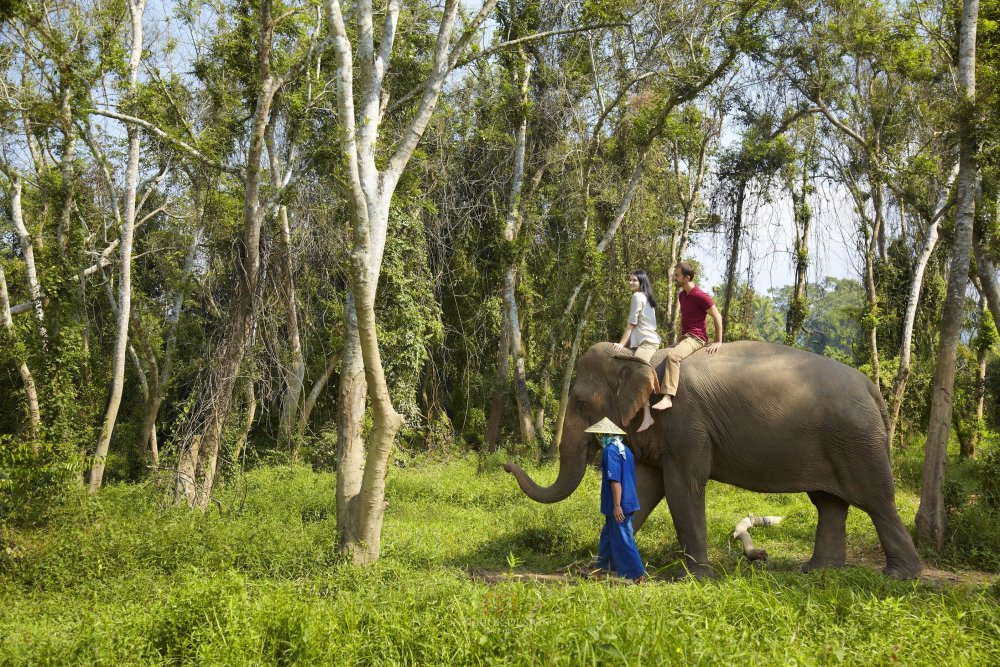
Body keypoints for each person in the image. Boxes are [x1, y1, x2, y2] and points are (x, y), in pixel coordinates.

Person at [651, 261, 723, 410]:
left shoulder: (701, 296)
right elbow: (684, 318)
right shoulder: (683, 295)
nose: (674, 278)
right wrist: (679, 338)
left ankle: (668, 397)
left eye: (677, 275)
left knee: (673, 357)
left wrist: (718, 341)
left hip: (697, 338)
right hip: (685, 337)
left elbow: (717, 316)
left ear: (687, 278)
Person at [585, 417, 646, 583]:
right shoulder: (625, 450)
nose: (597, 438)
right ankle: (600, 570)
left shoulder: (610, 451)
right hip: (626, 501)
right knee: (608, 536)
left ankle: (637, 575)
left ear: (603, 435)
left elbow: (615, 481)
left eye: (598, 435)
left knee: (623, 538)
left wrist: (617, 505)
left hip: (619, 504)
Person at [611, 269, 662, 432]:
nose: (631, 282)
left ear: (641, 282)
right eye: (630, 280)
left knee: (636, 373)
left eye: (634, 280)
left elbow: (631, 324)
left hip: (647, 343)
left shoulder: (637, 296)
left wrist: (620, 344)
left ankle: (647, 416)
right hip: (645, 342)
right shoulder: (646, 297)